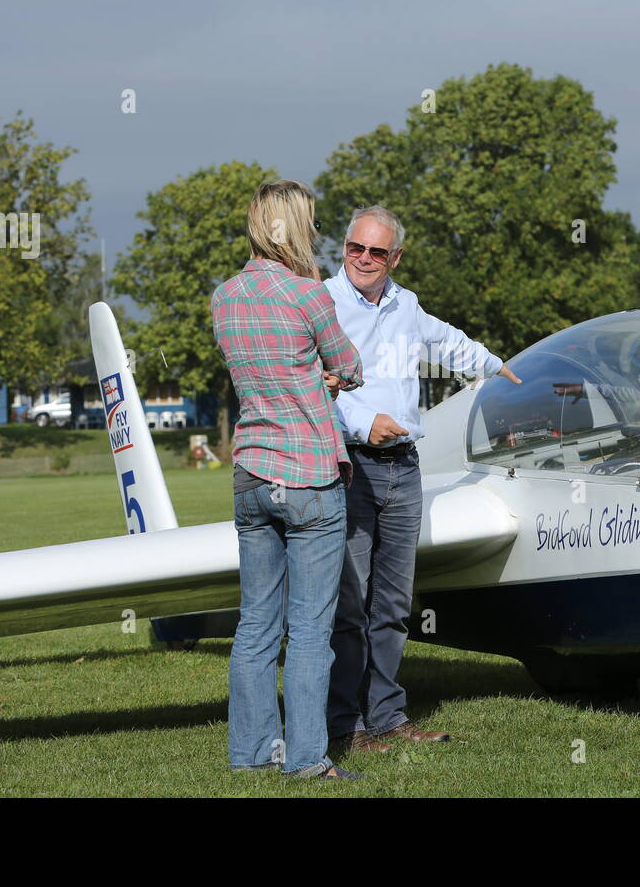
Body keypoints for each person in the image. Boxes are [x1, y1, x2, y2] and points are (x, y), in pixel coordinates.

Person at [324, 205, 520, 754]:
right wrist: (365, 423)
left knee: (392, 605)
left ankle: (386, 718)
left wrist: (500, 366)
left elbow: (448, 343)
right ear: (344, 248)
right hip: (350, 465)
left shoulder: (405, 305)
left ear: (396, 258)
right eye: (354, 248)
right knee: (350, 604)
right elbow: (312, 388)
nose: (363, 259)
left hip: (404, 470)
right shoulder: (322, 303)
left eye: (377, 252)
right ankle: (346, 726)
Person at [211, 180, 364, 780]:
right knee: (309, 632)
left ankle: (250, 753)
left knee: (254, 624)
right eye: (314, 223)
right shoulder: (308, 295)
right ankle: (306, 761)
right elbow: (348, 367)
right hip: (306, 476)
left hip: (251, 470)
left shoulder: (224, 297)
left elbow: (256, 373)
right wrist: (324, 377)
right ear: (295, 227)